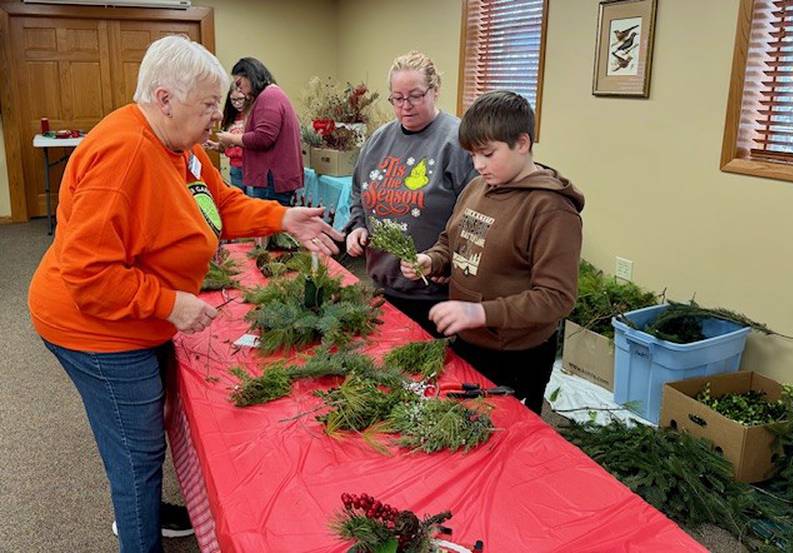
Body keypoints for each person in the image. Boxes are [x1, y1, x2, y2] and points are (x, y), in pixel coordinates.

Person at [27, 35, 342, 553]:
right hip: (93, 330)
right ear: (164, 97)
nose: (216, 119)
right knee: (137, 453)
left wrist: (282, 216)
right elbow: (90, 276)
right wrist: (171, 304)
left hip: (128, 318)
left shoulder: (181, 145)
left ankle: (147, 508)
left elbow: (220, 204)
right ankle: (139, 530)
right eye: (207, 106)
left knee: (146, 432)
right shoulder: (123, 155)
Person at [400, 91, 584, 414]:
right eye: (472, 155)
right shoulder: (476, 188)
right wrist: (431, 260)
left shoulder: (551, 210)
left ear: (523, 143)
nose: (478, 165)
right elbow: (450, 240)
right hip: (469, 343)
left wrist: (481, 312)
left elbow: (556, 297)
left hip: (517, 356)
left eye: (487, 153)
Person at [345, 51, 476, 337]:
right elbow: (359, 191)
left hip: (434, 293)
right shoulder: (378, 140)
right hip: (383, 283)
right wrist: (358, 226)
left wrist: (448, 261)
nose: (405, 106)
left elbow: (474, 216)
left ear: (435, 90)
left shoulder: (457, 142)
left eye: (415, 96)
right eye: (397, 98)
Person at [216, 57, 303, 205]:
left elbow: (263, 138)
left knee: (268, 226)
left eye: (239, 83)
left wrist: (232, 139)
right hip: (274, 178)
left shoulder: (268, 96)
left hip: (271, 179)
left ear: (250, 76)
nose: (239, 89)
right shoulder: (272, 94)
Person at [206, 86, 249, 191]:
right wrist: (216, 146)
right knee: (239, 199)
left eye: (240, 99)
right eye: (234, 100)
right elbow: (225, 148)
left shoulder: (253, 115)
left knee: (253, 200)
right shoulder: (229, 118)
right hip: (235, 167)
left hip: (251, 167)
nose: (237, 103)